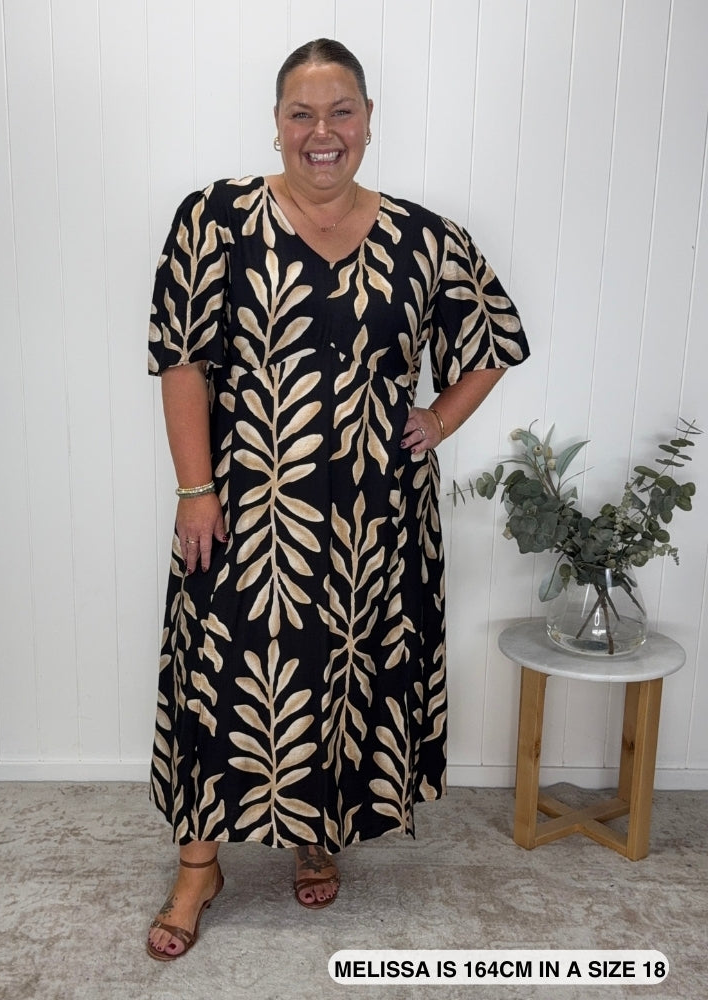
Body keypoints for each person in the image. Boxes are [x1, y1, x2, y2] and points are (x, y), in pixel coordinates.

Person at [146, 38, 529, 960]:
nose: (323, 132)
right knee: (219, 675)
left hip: (375, 511)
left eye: (341, 111)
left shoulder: (425, 238)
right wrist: (195, 489)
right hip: (246, 501)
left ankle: (317, 832)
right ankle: (198, 868)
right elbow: (183, 361)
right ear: (278, 123)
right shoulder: (215, 219)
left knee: (345, 677)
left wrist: (437, 417)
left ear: (367, 120)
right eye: (302, 113)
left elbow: (493, 341)